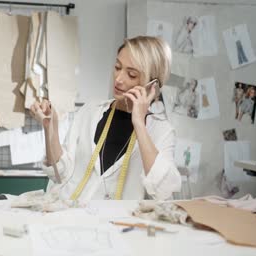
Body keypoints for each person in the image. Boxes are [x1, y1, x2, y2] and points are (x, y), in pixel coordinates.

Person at [30, 36, 181, 201]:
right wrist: (50, 128)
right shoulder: (90, 111)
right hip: (72, 216)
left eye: (131, 74)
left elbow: (164, 191)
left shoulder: (161, 131)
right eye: (117, 67)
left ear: (152, 86)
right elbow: (60, 174)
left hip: (119, 224)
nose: (118, 79)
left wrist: (139, 123)